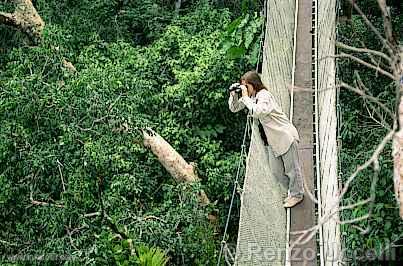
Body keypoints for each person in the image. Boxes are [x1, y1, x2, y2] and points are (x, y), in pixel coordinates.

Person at [228, 70, 305, 208]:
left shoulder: (264, 96)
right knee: (276, 172)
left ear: (253, 84)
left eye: (246, 86)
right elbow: (234, 108)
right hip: (271, 142)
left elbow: (258, 112)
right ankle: (292, 191)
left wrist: (245, 97)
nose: (244, 89)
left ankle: (297, 194)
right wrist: (234, 95)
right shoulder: (251, 98)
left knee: (292, 169)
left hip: (284, 136)